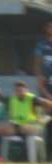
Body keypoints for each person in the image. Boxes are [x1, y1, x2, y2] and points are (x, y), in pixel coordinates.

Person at [34, 20, 52, 156]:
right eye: (49, 26)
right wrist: (46, 95)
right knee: (45, 122)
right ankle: (44, 155)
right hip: (46, 91)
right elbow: (37, 66)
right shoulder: (41, 45)